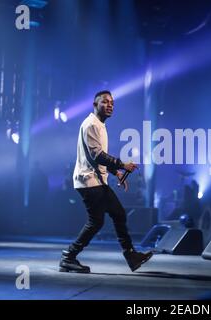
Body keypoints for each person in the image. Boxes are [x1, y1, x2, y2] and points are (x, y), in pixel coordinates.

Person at [59, 90, 153, 273]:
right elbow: (97, 155)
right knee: (97, 221)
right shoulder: (91, 125)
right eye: (105, 102)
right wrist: (121, 165)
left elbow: (96, 157)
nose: (110, 105)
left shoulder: (100, 125)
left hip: (96, 180)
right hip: (89, 181)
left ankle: (130, 255)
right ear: (95, 105)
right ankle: (68, 257)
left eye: (112, 103)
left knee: (117, 214)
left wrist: (115, 172)